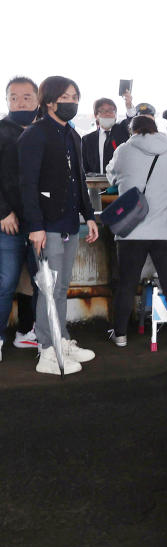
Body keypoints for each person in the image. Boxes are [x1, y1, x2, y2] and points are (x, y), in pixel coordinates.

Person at [18, 75, 99, 375]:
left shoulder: (73, 136)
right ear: (49, 101)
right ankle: (47, 350)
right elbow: (27, 184)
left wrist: (89, 216)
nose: (73, 102)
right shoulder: (34, 135)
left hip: (69, 224)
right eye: (66, 96)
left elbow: (79, 180)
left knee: (61, 287)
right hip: (47, 226)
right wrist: (35, 225)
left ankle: (61, 338)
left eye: (76, 96)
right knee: (48, 289)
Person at [105, 116, 167, 353]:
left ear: (132, 130)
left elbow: (111, 176)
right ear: (156, 129)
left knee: (126, 284)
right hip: (165, 231)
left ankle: (121, 335)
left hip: (131, 230)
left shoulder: (123, 150)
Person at [0, 76, 39, 361]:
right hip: (8, 223)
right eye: (14, 97)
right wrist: (3, 212)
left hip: (38, 223)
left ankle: (26, 332)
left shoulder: (44, 131)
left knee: (36, 281)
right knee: (6, 281)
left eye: (27, 97)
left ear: (38, 100)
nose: (20, 102)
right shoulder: (1, 131)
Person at [80, 98, 130, 175]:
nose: (107, 113)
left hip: (120, 184)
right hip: (95, 184)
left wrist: (129, 107)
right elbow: (83, 167)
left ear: (115, 115)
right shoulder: (87, 140)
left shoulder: (123, 131)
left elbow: (132, 121)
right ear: (96, 115)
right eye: (103, 111)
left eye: (111, 110)